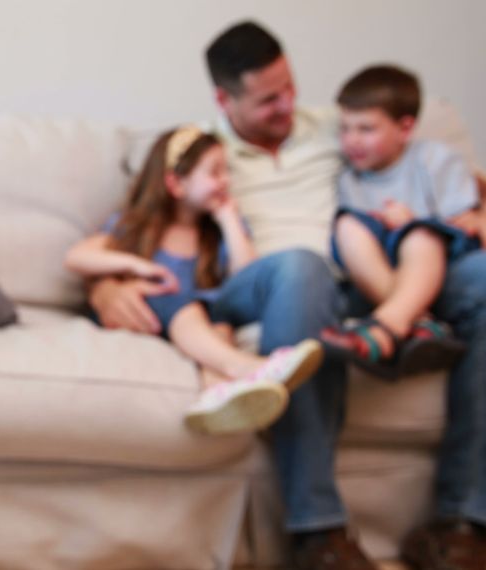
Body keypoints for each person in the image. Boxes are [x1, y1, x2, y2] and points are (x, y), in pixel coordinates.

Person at [88, 20, 486, 570]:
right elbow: (142, 217)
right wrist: (105, 283)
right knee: (304, 270)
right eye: (269, 99)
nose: (289, 105)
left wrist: (476, 213)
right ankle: (319, 534)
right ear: (224, 99)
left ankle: (461, 523)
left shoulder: (334, 128)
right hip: (270, 281)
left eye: (291, 88)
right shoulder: (200, 149)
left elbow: (435, 168)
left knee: (482, 277)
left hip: (365, 276)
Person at [66, 126, 322, 435]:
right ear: (175, 183)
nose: (225, 181)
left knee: (221, 318)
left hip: (197, 319)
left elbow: (248, 278)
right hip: (153, 310)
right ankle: (247, 368)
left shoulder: (213, 235)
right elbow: (77, 257)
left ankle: (214, 395)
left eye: (227, 171)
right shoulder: (139, 226)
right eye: (215, 172)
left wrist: (229, 219)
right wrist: (137, 265)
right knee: (173, 295)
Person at [322, 65, 475, 378]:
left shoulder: (436, 160)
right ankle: (419, 324)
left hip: (435, 266)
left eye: (366, 129)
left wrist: (411, 223)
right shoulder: (348, 180)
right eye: (345, 128)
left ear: (405, 128)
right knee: (347, 225)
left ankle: (388, 327)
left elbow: (465, 225)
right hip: (378, 275)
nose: (351, 140)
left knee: (420, 236)